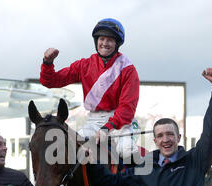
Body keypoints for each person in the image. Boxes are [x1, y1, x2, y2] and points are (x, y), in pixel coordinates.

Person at [40, 18, 141, 162]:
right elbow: (50, 81)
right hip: (93, 121)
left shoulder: (128, 70)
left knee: (126, 152)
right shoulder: (84, 65)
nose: (105, 43)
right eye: (102, 39)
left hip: (121, 123)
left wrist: (108, 127)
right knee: (72, 150)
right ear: (96, 41)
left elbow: (127, 108)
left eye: (110, 40)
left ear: (117, 43)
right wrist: (47, 63)